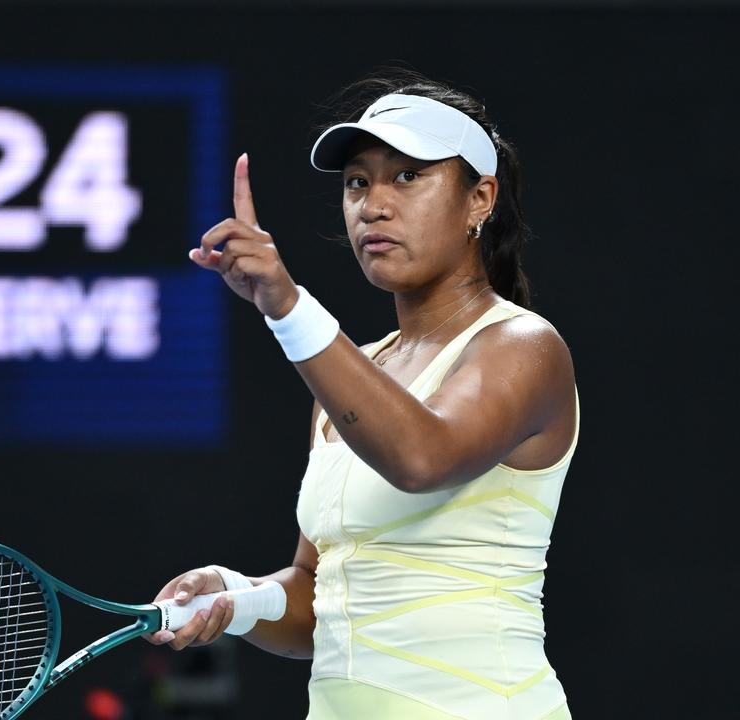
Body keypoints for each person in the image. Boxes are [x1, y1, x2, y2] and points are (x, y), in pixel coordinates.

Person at [147, 70, 579, 720]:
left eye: (407, 176)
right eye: (357, 182)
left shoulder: (523, 347)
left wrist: (287, 306)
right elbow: (319, 597)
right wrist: (238, 598)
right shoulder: (352, 378)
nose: (374, 205)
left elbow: (421, 458)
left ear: (480, 199)